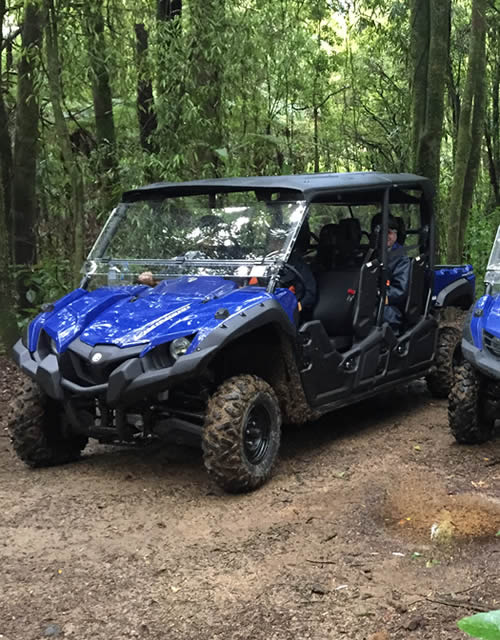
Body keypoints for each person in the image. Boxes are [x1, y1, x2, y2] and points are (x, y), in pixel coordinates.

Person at [371, 212, 410, 332]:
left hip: (391, 304)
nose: (388, 236)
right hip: (368, 299)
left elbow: (400, 290)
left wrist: (378, 294)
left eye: (392, 232)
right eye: (384, 232)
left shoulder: (401, 258)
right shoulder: (371, 253)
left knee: (376, 313)